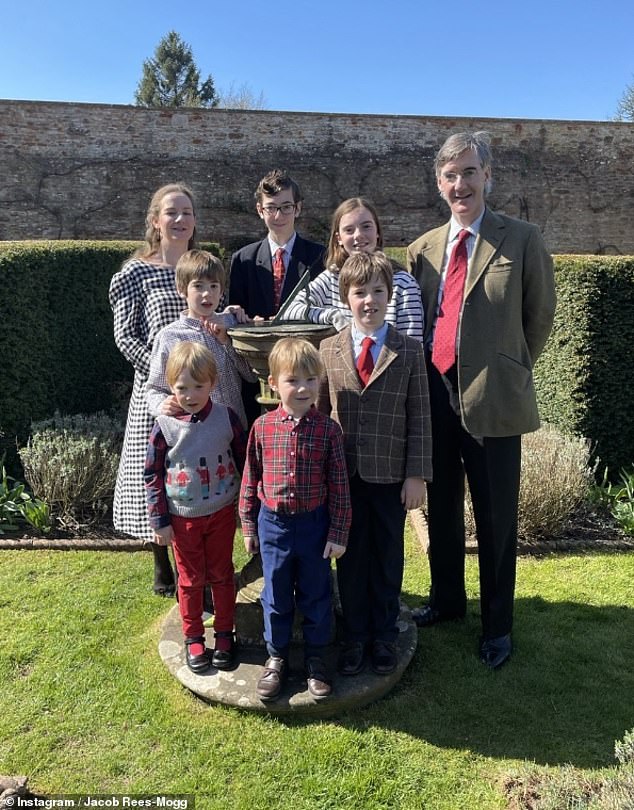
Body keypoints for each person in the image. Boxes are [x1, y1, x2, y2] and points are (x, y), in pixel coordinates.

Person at [406, 131, 556, 669]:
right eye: (450, 175)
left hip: (494, 399)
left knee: (494, 518)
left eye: (469, 173)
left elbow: (538, 317)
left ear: (487, 176)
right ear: (439, 183)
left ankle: (498, 626)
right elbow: (417, 324)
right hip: (436, 395)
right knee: (441, 509)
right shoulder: (421, 250)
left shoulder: (520, 238)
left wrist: (511, 365)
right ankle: (447, 601)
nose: (460, 184)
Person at [318, 251, 432, 677]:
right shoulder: (328, 349)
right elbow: (319, 413)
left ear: (390, 295)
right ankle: (356, 634)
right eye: (359, 292)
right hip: (343, 475)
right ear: (346, 297)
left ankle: (383, 634)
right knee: (349, 557)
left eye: (378, 291)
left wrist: (416, 474)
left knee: (386, 555)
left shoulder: (408, 350)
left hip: (388, 475)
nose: (369, 300)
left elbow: (420, 416)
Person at [239, 338, 351, 701]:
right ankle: (277, 656)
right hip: (274, 525)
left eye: (310, 380)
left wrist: (337, 531)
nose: (302, 388)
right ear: (273, 383)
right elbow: (250, 478)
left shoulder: (328, 431)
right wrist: (249, 525)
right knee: (275, 594)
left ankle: (318, 658)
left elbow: (339, 487)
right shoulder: (262, 428)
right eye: (292, 380)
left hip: (315, 525)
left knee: (317, 592)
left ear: (319, 382)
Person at [110, 183, 197, 597]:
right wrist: (166, 378)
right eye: (171, 212)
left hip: (201, 391)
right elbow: (125, 337)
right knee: (157, 471)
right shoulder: (134, 272)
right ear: (155, 220)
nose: (180, 220)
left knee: (193, 471)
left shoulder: (202, 267)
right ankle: (162, 563)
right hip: (156, 393)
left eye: (187, 212)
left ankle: (196, 558)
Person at [144, 342, 247, 674]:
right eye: (182, 388)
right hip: (182, 518)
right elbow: (152, 473)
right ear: (171, 387)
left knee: (221, 574)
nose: (190, 395)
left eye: (198, 387)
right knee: (190, 579)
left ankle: (225, 633)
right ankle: (193, 636)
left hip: (220, 513)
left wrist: (247, 505)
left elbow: (245, 459)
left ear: (212, 384)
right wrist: (160, 520)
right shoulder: (165, 425)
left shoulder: (226, 418)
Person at [228, 169, 326, 426]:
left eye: (286, 207)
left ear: (298, 208)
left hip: (305, 370)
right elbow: (236, 318)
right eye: (271, 208)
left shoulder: (320, 258)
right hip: (260, 371)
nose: (279, 215)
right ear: (260, 210)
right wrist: (245, 318)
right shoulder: (243, 260)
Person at [282, 197, 424, 342]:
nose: (358, 235)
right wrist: (332, 316)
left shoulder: (403, 284)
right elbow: (290, 309)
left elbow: (413, 348)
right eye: (349, 230)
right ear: (339, 238)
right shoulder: (331, 278)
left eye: (366, 226)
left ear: (378, 232)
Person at [146, 249, 257, 430]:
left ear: (222, 291)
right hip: (192, 435)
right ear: (182, 290)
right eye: (198, 286)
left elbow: (251, 376)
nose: (207, 294)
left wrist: (226, 342)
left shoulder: (231, 324)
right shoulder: (168, 337)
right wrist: (161, 405)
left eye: (214, 286)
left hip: (233, 430)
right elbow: (153, 388)